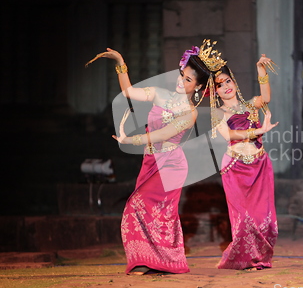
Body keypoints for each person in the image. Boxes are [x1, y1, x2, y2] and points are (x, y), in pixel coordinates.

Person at [85, 41, 217, 275]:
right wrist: (121, 64)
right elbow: (129, 92)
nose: (181, 80)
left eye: (188, 80)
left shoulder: (190, 113)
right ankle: (149, 261)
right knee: (149, 211)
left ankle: (160, 261)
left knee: (143, 206)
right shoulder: (159, 94)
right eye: (182, 75)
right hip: (151, 160)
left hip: (172, 165)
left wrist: (130, 140)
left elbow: (164, 134)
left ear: (197, 88)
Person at [208, 54, 279, 270]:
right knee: (243, 218)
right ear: (215, 92)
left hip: (259, 164)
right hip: (235, 168)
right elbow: (229, 135)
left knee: (263, 217)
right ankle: (244, 258)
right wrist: (258, 130)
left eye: (227, 81)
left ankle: (259, 257)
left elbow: (265, 97)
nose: (226, 86)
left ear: (234, 82)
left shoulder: (251, 105)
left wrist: (261, 70)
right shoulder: (218, 112)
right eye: (220, 85)